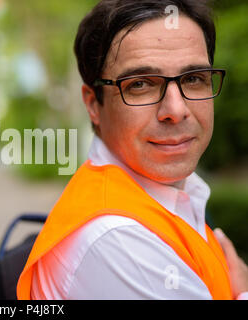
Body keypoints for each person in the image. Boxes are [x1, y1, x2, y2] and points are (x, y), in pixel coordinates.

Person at [17, 0, 248, 300]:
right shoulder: (117, 238)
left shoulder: (166, 196)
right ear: (93, 105)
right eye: (140, 84)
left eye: (193, 79)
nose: (175, 110)